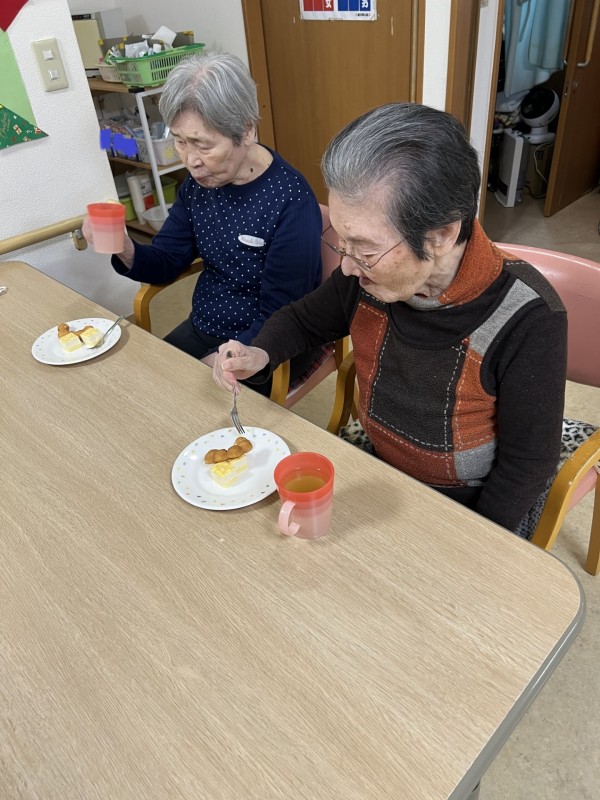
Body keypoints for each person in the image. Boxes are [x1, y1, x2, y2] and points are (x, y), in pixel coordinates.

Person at [211, 102, 568, 535]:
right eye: (341, 241)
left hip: (466, 505)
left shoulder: (530, 317)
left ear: (440, 235)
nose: (346, 266)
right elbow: (305, 320)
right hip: (377, 468)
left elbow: (528, 465)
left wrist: (475, 540)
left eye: (364, 247)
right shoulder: (363, 276)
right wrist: (261, 352)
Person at [82, 52, 323, 392]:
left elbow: (283, 314)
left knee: (183, 402)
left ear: (246, 130)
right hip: (205, 327)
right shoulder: (199, 185)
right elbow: (166, 260)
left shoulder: (290, 200)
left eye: (203, 145)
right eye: (180, 142)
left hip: (265, 346)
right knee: (134, 387)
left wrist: (221, 362)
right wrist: (123, 247)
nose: (191, 161)